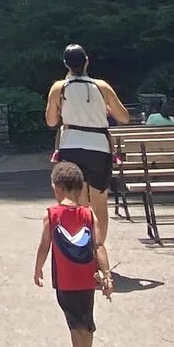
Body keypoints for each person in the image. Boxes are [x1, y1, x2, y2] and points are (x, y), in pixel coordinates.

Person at [33, 159, 114, 347]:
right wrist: (107, 275)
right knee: (86, 321)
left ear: (57, 188)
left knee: (74, 325)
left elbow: (44, 246)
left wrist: (38, 268)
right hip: (87, 279)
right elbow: (98, 246)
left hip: (65, 281)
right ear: (80, 190)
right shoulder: (89, 214)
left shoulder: (51, 215)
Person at [44, 43, 129, 247]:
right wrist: (104, 108)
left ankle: (79, 249)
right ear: (87, 61)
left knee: (76, 200)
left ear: (66, 64)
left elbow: (51, 121)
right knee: (99, 201)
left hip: (71, 145)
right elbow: (124, 117)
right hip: (98, 147)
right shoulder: (102, 86)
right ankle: (98, 248)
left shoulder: (59, 88)